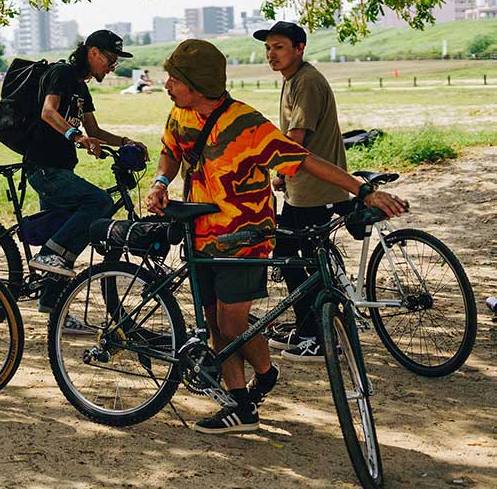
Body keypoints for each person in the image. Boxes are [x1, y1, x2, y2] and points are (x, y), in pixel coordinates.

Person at [145, 39, 405, 435]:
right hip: (199, 232)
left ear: (195, 85)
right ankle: (247, 395)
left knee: (231, 324)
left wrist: (363, 189)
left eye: (173, 79)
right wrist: (162, 181)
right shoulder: (180, 115)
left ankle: (249, 397)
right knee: (216, 320)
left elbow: (304, 161)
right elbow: (171, 151)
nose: (166, 85)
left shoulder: (246, 124)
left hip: (244, 235)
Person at [27, 29, 148, 312]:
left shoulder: (81, 88)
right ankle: (46, 255)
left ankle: (54, 310)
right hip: (44, 168)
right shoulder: (61, 74)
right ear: (93, 52)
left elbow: (94, 130)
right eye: (110, 59)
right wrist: (76, 137)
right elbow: (48, 112)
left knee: (64, 239)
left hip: (60, 168)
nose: (112, 66)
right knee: (99, 202)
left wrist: (127, 142)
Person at [255, 20, 350, 361]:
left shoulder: (306, 81)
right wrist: (283, 174)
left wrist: (272, 166)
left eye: (278, 47)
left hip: (315, 189)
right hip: (303, 187)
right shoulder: (294, 79)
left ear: (299, 48)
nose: (271, 54)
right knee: (297, 255)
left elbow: (296, 140)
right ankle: (316, 326)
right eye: (268, 48)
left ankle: (316, 336)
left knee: (294, 258)